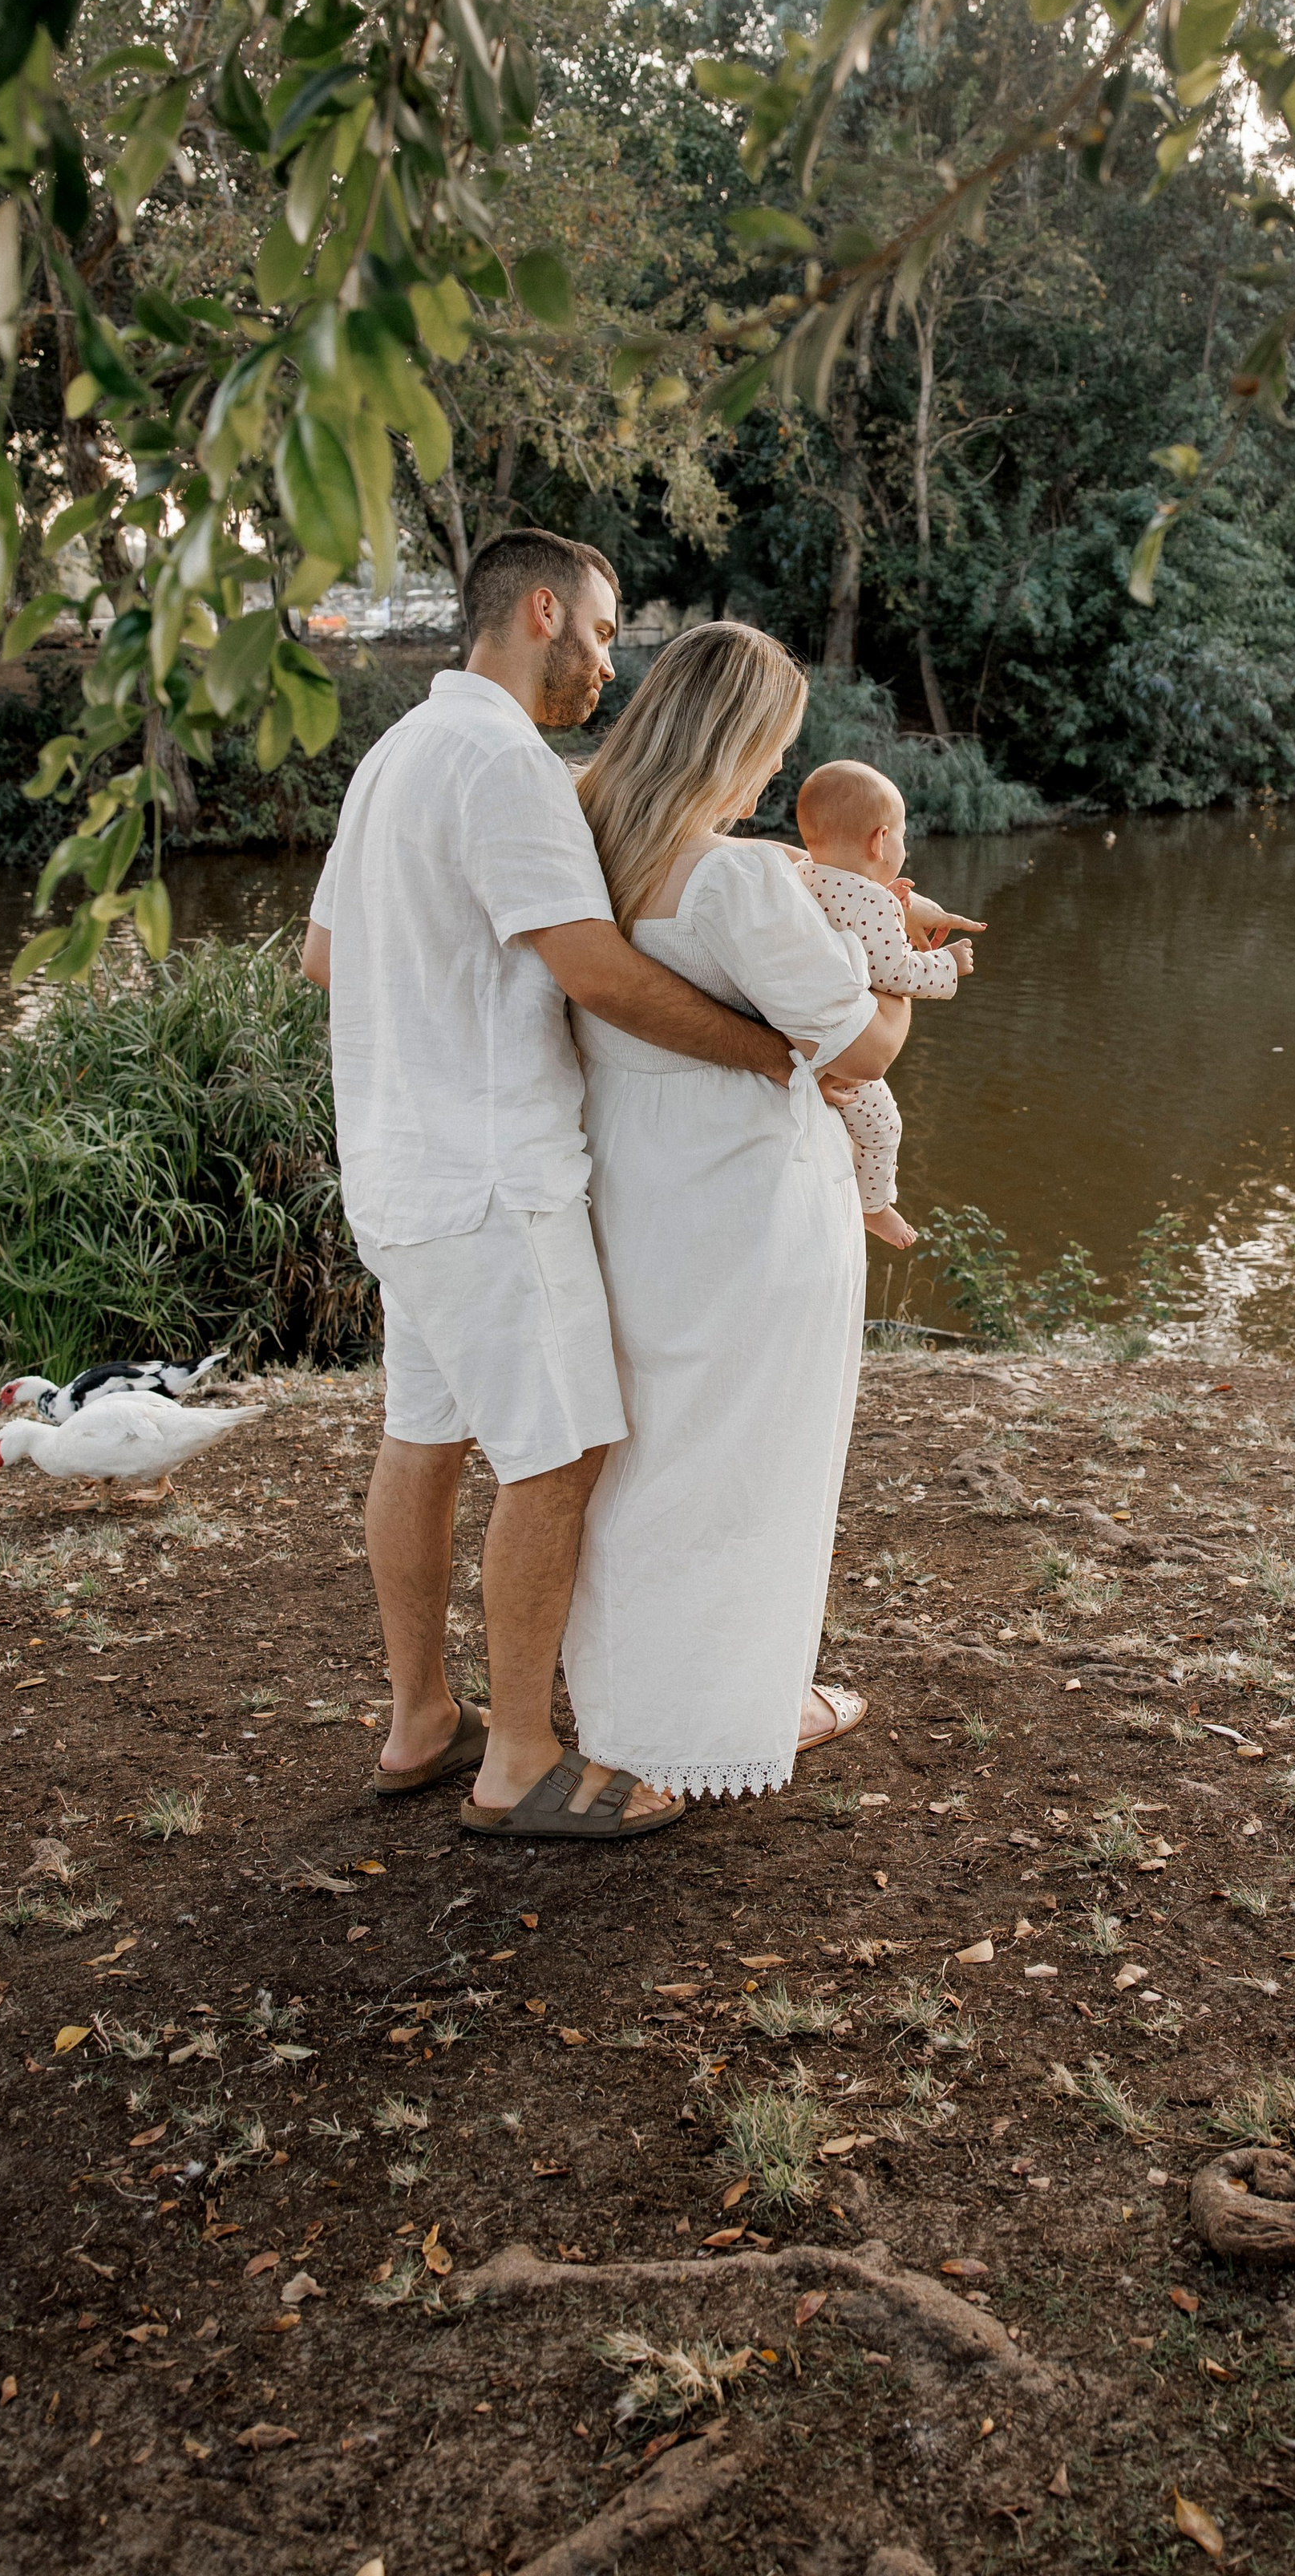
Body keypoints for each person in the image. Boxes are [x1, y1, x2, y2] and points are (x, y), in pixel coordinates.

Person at [301, 530, 818, 1841]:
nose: (608, 661)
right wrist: (770, 1051)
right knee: (567, 1446)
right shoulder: (502, 765)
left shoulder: (395, 758)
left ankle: (424, 1718)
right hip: (492, 1178)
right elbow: (592, 969)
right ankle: (521, 1759)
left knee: (423, 1438)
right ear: (542, 612)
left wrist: (443, 995)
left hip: (399, 1169)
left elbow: (321, 956)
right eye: (598, 631)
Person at [562, 624, 909, 1805]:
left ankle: (628, 1717)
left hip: (620, 1176)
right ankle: (719, 1719)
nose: (773, 775)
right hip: (745, 1195)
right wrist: (895, 955)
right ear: (741, 742)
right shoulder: (740, 875)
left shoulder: (582, 842)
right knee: (754, 1457)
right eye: (775, 750)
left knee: (642, 1454)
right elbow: (855, 1050)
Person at [794, 756, 983, 1251]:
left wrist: (893, 905)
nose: (902, 844)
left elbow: (850, 924)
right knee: (883, 1128)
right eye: (901, 835)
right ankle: (874, 1208)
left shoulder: (802, 876)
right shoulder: (872, 902)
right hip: (846, 1043)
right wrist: (947, 963)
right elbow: (895, 972)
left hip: (796, 1030)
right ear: (880, 841)